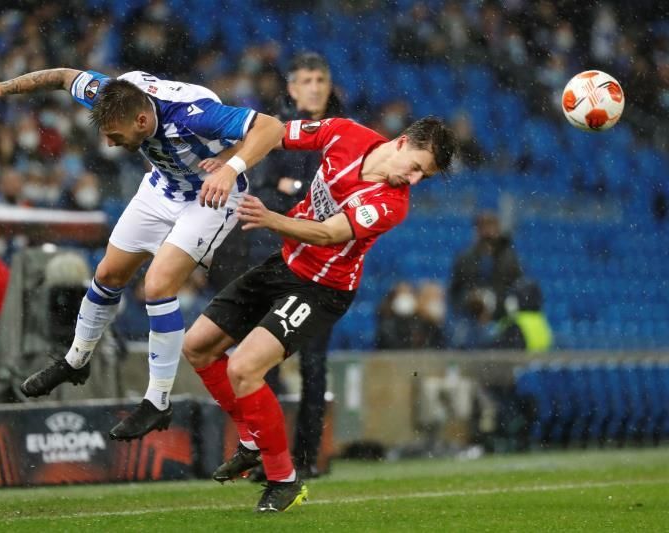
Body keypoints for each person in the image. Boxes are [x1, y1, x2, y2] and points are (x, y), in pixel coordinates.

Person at [0, 68, 284, 440]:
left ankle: (157, 401)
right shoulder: (114, 94)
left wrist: (230, 168)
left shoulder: (193, 112)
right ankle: (76, 360)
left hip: (210, 197)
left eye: (115, 135)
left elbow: (271, 128)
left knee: (158, 285)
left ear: (143, 120)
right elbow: (64, 76)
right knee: (108, 274)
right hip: (163, 186)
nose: (111, 144)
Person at [182, 116, 456, 512]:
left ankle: (285, 480)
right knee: (197, 346)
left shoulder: (390, 204)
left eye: (423, 177)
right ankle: (250, 440)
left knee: (243, 367)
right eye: (416, 167)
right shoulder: (344, 132)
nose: (413, 181)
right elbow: (273, 134)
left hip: (322, 289)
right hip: (286, 264)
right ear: (401, 142)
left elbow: (329, 233)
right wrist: (229, 161)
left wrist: (270, 218)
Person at [238, 52, 347, 480]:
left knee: (315, 364)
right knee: (263, 363)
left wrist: (293, 191)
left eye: (321, 78)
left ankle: (306, 459)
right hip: (276, 258)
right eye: (307, 79)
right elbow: (260, 190)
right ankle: (273, 454)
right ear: (292, 87)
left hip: (321, 265)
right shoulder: (275, 131)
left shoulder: (342, 133)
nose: (315, 87)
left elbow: (341, 195)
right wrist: (300, 196)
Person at [449, 211, 522, 320]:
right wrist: (470, 299)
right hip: (470, 318)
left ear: (498, 229)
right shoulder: (465, 258)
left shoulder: (510, 259)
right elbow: (455, 291)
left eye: (491, 225)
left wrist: (494, 304)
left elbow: (517, 290)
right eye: (483, 226)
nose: (487, 231)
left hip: (500, 318)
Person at [489, 277, 553, 352]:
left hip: (521, 362)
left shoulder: (517, 324)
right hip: (537, 362)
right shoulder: (541, 320)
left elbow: (500, 351)